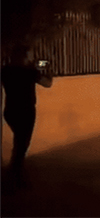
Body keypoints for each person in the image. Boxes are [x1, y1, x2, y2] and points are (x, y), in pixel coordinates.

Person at [2, 45, 53, 185]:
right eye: (30, 55)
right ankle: (15, 174)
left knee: (19, 142)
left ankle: (15, 172)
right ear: (24, 56)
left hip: (10, 110)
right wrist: (48, 70)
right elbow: (48, 83)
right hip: (26, 111)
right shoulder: (29, 72)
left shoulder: (5, 70)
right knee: (22, 143)